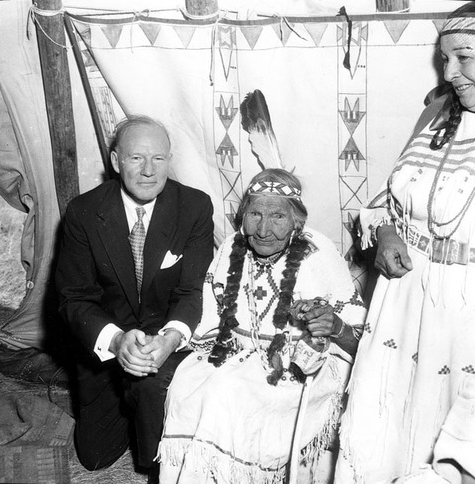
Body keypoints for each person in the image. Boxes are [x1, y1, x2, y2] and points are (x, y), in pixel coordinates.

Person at [335, 4, 475, 483]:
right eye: (445, 59)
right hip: (403, 296)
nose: (450, 72)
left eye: (464, 56)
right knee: (385, 423)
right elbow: (384, 199)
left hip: (467, 309)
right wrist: (385, 231)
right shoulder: (437, 113)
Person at [156, 168, 366, 483]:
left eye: (278, 217)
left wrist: (334, 325)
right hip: (237, 353)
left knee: (227, 394)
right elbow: (211, 316)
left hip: (302, 367)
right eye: (255, 213)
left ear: (297, 221)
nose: (264, 229)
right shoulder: (232, 246)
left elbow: (359, 337)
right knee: (191, 387)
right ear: (244, 216)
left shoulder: (318, 253)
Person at [55, 115, 214, 481]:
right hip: (108, 347)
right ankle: (128, 405)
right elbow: (73, 298)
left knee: (155, 460)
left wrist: (170, 339)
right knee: (95, 457)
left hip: (163, 347)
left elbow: (192, 291)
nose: (148, 171)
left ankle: (147, 406)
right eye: (136, 158)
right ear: (115, 161)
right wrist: (115, 340)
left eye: (158, 159)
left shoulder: (194, 207)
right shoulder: (84, 212)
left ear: (169, 159)